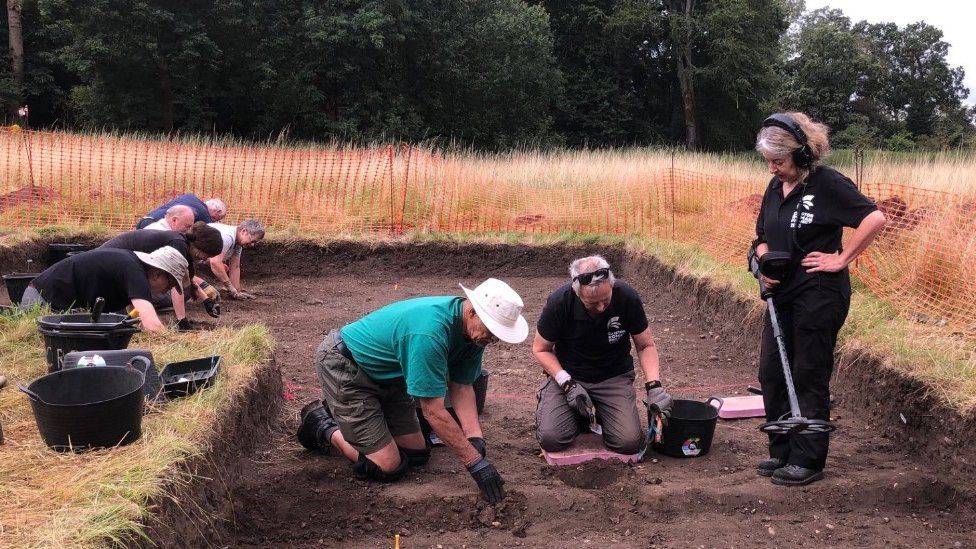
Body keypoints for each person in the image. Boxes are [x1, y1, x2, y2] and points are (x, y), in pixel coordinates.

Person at [296, 278, 528, 504]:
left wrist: (475, 439)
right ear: (473, 312)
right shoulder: (430, 333)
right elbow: (433, 411)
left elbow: (462, 385)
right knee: (387, 466)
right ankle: (322, 423)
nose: (493, 338)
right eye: (491, 330)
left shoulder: (474, 335)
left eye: (498, 335)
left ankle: (363, 421)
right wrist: (473, 463)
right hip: (347, 368)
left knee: (417, 455)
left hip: (391, 379)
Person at [753, 112, 886, 486]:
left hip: (819, 292)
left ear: (803, 155)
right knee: (773, 372)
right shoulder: (773, 188)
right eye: (768, 162)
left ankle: (808, 459)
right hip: (780, 293)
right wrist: (763, 259)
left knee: (808, 371)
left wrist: (842, 258)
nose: (772, 169)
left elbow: (874, 219)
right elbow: (761, 233)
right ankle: (781, 451)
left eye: (778, 161)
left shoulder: (827, 184)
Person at [533, 256, 671, 456]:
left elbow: (645, 345)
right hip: (569, 376)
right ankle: (579, 414)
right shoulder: (559, 302)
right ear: (577, 293)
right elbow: (540, 349)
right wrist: (566, 382)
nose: (600, 308)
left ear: (612, 286)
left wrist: (654, 386)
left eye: (605, 300)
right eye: (592, 303)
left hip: (613, 377)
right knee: (551, 439)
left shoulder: (627, 297)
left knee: (628, 443)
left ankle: (602, 412)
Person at [19, 246, 189, 333]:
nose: (166, 291)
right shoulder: (134, 271)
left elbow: (134, 315)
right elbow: (153, 326)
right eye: (169, 285)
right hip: (41, 305)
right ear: (158, 274)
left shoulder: (131, 267)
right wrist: (175, 344)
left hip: (46, 301)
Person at [101, 222, 225, 329]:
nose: (206, 259)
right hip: (108, 268)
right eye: (208, 255)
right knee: (120, 324)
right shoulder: (179, 246)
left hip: (119, 266)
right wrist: (181, 320)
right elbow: (175, 285)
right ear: (201, 249)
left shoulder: (182, 243)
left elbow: (186, 278)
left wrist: (206, 300)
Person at [201, 220, 265, 300]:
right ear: (244, 231)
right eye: (252, 241)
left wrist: (237, 291)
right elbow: (215, 262)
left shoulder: (238, 242)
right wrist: (229, 286)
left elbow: (235, 266)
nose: (252, 245)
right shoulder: (228, 236)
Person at [135, 194, 226, 229]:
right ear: (215, 210)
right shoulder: (204, 213)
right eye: (214, 218)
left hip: (145, 220)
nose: (212, 221)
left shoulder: (190, 197)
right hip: (157, 227)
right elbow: (210, 232)